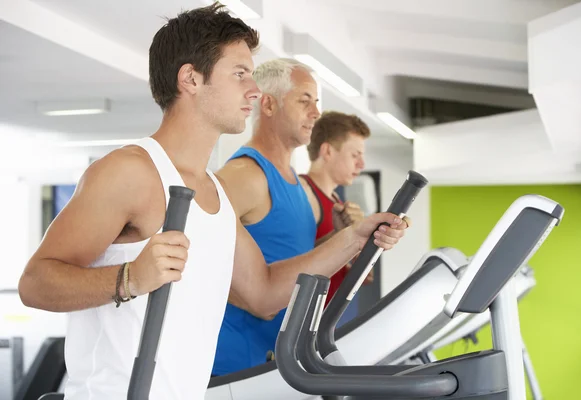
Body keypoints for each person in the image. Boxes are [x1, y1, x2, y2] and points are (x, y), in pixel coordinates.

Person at [18, 6, 408, 399]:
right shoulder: (130, 171)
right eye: (239, 74)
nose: (254, 91)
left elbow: (266, 293)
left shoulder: (215, 194)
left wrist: (355, 237)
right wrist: (130, 278)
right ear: (190, 78)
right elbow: (36, 283)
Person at [212, 59, 390, 376]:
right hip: (236, 365)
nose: (316, 113)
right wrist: (249, 298)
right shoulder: (245, 175)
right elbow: (187, 248)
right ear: (268, 104)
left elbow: (294, 256)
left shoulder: (295, 182)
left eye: (316, 103)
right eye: (304, 101)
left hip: (282, 361)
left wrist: (341, 239)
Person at [300, 110, 374, 307]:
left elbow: (359, 274)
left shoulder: (336, 200)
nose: (361, 164)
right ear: (328, 151)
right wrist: (341, 234)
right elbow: (289, 262)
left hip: (324, 320)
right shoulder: (302, 192)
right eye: (354, 155)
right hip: (298, 322)